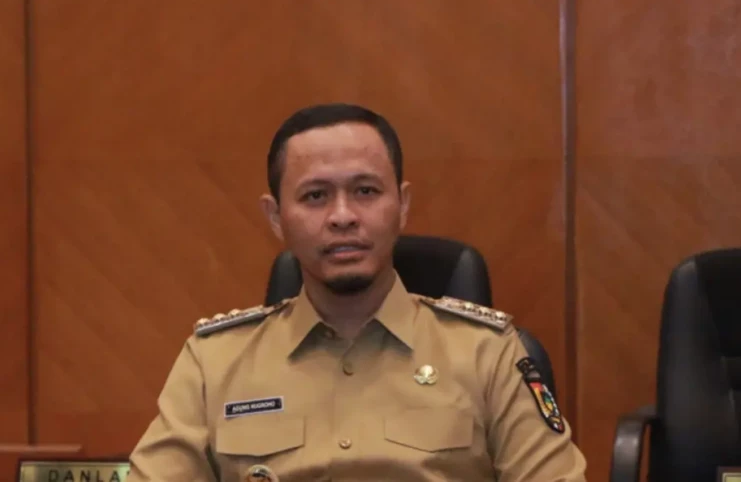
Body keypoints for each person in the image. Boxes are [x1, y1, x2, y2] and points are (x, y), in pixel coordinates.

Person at [127, 103, 588, 482]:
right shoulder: (214, 364)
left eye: (365, 191)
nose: (343, 216)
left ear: (402, 206)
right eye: (315, 196)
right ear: (275, 217)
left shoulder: (487, 355)